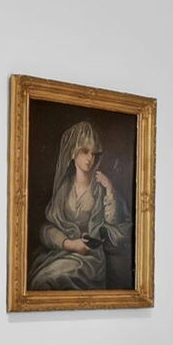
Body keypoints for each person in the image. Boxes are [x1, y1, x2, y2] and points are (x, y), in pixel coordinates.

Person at [28, 119, 131, 291]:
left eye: (94, 153)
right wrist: (68, 243)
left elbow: (114, 223)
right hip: (63, 252)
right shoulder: (64, 188)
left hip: (89, 258)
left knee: (52, 279)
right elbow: (48, 228)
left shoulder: (100, 187)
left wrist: (110, 189)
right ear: (73, 152)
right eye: (85, 151)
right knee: (40, 280)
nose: (90, 158)